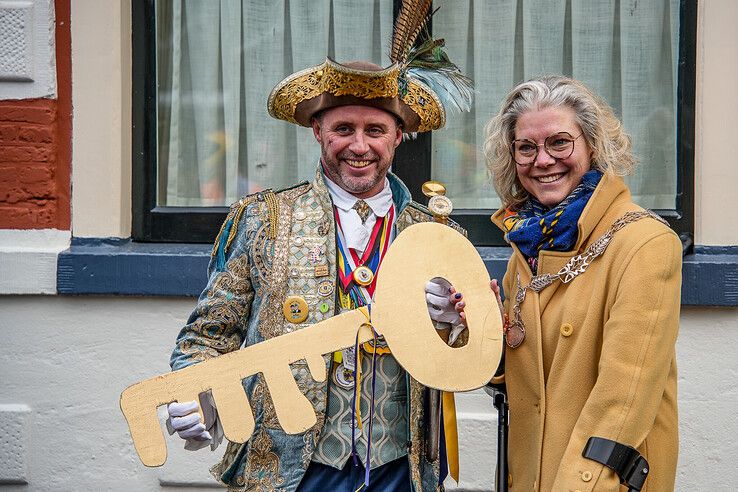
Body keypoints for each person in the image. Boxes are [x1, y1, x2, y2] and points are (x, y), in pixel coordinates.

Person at [165, 5, 474, 490]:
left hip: (401, 470)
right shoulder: (263, 220)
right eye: (343, 129)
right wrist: (200, 396)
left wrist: (458, 326)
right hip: (288, 470)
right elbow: (209, 337)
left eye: (375, 130)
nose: (359, 145)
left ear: (398, 136)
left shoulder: (435, 234)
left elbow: (465, 356)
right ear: (318, 132)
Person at [482, 75, 681, 491]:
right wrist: (473, 333)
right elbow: (520, 377)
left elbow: (621, 406)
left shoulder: (644, 243)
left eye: (559, 143)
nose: (542, 160)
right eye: (526, 148)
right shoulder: (526, 246)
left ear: (593, 145)